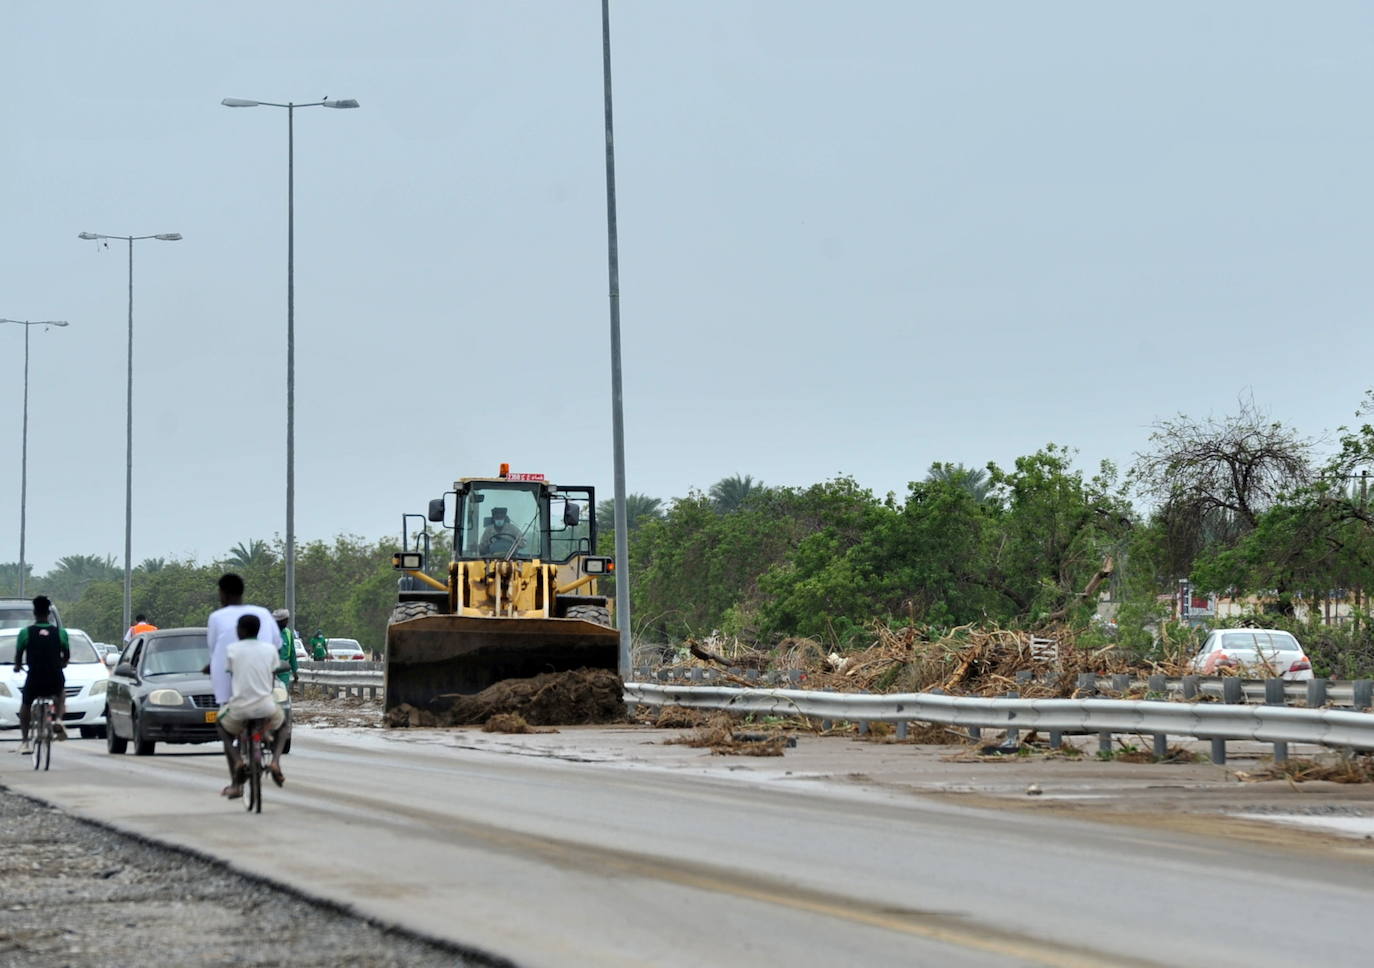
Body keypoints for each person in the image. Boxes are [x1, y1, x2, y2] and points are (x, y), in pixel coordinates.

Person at [215, 613, 290, 798]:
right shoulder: (270, 649)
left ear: (240, 631)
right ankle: (275, 762)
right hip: (266, 706)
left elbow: (231, 677)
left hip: (239, 707)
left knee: (220, 724)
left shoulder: (232, 649)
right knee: (284, 726)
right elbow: (272, 677)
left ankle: (238, 764)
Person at [206, 573, 280, 710]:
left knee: (223, 724)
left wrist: (211, 666)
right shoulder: (263, 613)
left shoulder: (217, 618)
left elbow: (213, 651)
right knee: (279, 722)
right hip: (265, 701)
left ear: (223, 593)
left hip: (231, 699)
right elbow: (277, 645)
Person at [13, 595, 70, 753]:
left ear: (34, 613)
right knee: (60, 693)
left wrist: (18, 666)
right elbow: (66, 654)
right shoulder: (61, 633)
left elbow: (18, 656)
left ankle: (25, 741)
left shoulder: (25, 633)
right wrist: (62, 663)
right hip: (54, 678)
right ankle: (58, 719)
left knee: (25, 705)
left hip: (35, 678)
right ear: (49, 614)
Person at [272, 608, 299, 690]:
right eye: (285, 620)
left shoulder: (288, 633)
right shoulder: (269, 633)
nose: (287, 622)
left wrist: (295, 671)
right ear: (279, 621)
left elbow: (292, 653)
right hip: (269, 671)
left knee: (282, 694)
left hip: (283, 672)